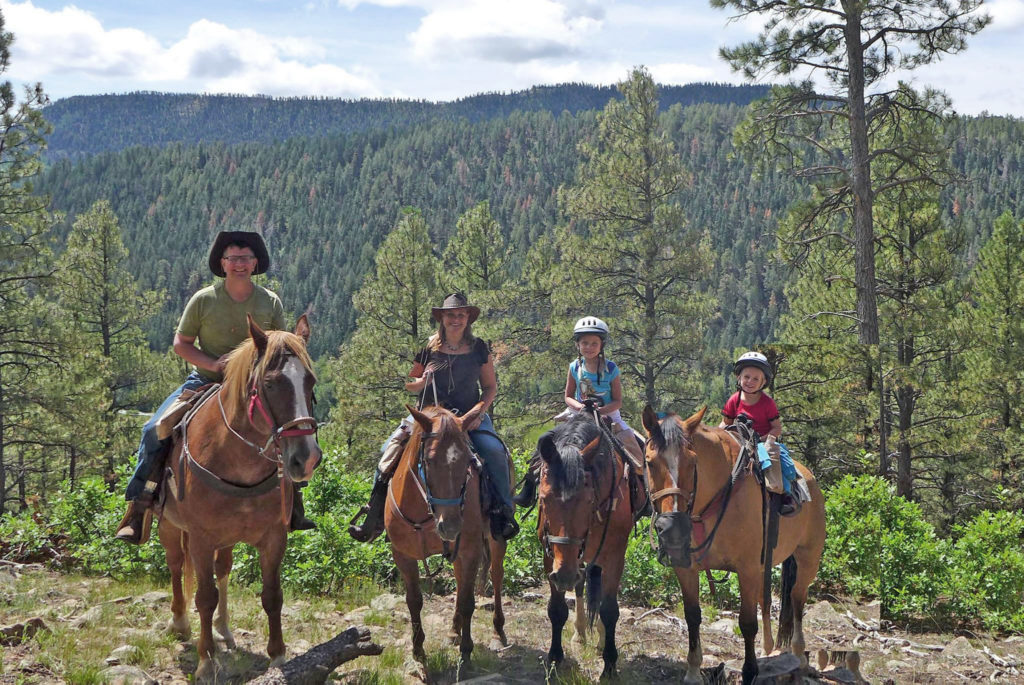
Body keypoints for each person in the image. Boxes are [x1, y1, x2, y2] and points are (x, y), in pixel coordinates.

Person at [115, 231, 314, 544]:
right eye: (233, 259)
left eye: (245, 258)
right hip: (207, 381)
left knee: (290, 430)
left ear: (255, 264)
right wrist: (212, 364)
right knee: (155, 428)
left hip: (253, 388)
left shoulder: (269, 301)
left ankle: (294, 504)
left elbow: (275, 346)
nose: (239, 264)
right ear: (222, 264)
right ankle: (140, 503)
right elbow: (181, 344)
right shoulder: (204, 299)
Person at [348, 292, 519, 543]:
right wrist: (422, 380)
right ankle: (374, 518)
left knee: (493, 451)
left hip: (467, 417)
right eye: (451, 315)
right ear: (442, 318)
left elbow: (490, 387)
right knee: (388, 451)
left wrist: (479, 413)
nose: (456, 319)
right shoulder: (430, 346)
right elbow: (410, 384)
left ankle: (503, 512)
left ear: (468, 318)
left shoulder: (479, 347)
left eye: (461, 315)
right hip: (428, 418)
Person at [513, 316, 649, 517]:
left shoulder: (611, 369)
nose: (589, 347)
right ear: (577, 344)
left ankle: (644, 492)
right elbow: (568, 396)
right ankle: (528, 488)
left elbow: (618, 400)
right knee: (545, 442)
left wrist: (600, 411)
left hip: (608, 413)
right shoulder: (574, 367)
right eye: (585, 342)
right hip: (578, 413)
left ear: (602, 344)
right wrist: (581, 407)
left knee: (638, 446)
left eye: (594, 343)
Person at [718, 351, 798, 505]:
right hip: (740, 440)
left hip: (761, 442)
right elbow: (725, 423)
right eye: (747, 377)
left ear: (763, 382)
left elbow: (776, 428)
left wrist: (764, 440)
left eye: (756, 378)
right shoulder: (734, 400)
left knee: (772, 461)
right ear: (739, 377)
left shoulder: (767, 403)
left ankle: (783, 494)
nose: (750, 381)